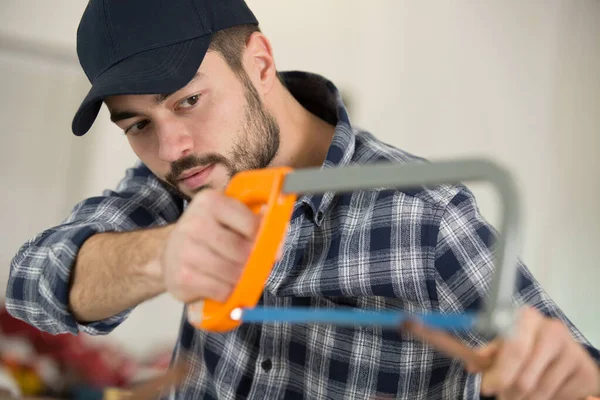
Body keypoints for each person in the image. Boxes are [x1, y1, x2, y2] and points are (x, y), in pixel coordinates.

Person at [5, 0, 600, 398]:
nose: (173, 146)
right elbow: (30, 285)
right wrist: (159, 255)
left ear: (259, 62)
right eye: (137, 125)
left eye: (187, 100)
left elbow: (570, 371)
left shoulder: (425, 217)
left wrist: (566, 379)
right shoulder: (185, 182)